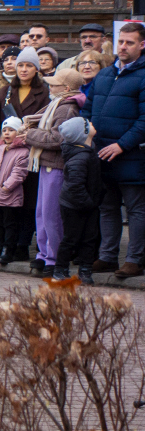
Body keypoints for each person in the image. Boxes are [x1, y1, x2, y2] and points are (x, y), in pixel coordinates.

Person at [86, 21, 145, 280]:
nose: (123, 47)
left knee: (135, 210)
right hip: (101, 153)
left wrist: (121, 145)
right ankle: (108, 256)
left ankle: (135, 260)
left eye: (129, 42)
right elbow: (87, 109)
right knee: (107, 207)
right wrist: (87, 133)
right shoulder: (104, 75)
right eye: (121, 41)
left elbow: (144, 120)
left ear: (142, 45)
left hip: (132, 156)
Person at [0, 47, 49, 263]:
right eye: (20, 65)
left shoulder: (44, 93)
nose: (23, 69)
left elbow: (46, 123)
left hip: (31, 154)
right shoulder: (6, 91)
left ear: (36, 69)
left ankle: (22, 245)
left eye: (29, 65)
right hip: (6, 155)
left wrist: (29, 138)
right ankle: (4, 245)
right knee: (6, 200)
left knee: (28, 200)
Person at [23, 67, 86, 277]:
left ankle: (54, 258)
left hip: (56, 166)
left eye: (54, 85)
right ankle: (43, 254)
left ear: (66, 88)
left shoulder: (66, 109)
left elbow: (57, 139)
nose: (50, 88)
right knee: (41, 213)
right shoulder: (56, 105)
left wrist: (30, 134)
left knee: (52, 216)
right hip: (46, 163)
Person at [53, 117, 104, 283]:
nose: (92, 123)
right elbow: (75, 186)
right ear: (84, 133)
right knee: (71, 238)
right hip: (74, 205)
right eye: (88, 124)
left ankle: (85, 271)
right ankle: (60, 269)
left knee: (89, 238)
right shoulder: (79, 158)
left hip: (88, 203)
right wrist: (89, 203)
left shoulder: (88, 151)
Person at [0, 117, 32, 266]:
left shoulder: (23, 152)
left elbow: (19, 173)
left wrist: (6, 187)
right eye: (4, 130)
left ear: (19, 133)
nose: (7, 133)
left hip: (9, 195)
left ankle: (8, 250)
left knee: (10, 224)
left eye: (11, 130)